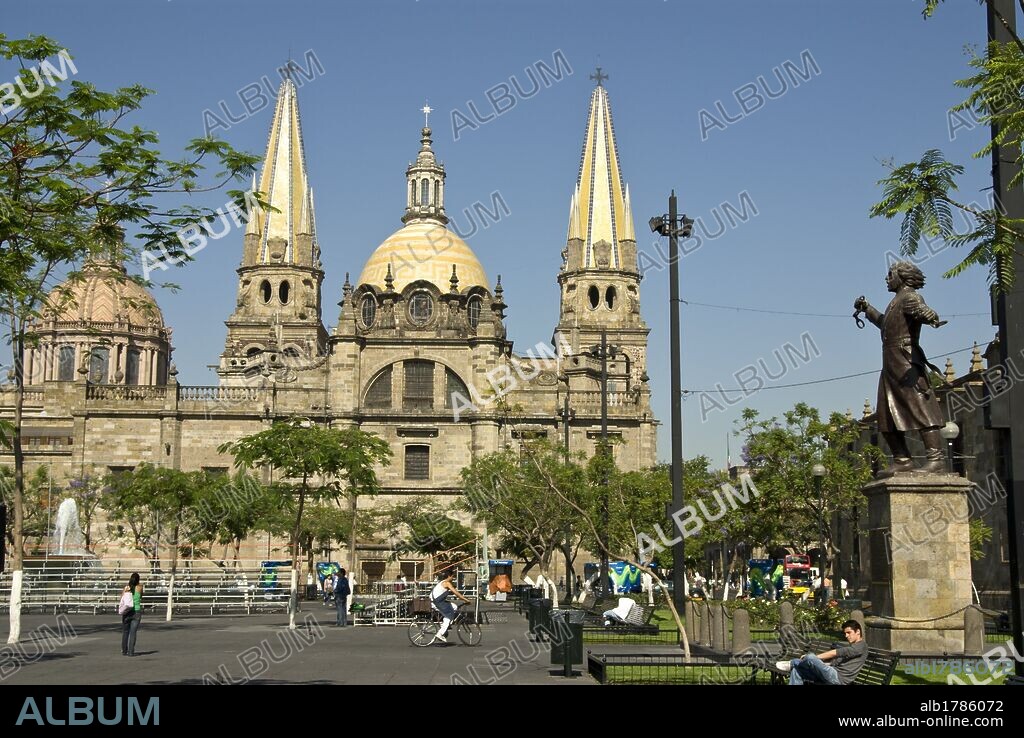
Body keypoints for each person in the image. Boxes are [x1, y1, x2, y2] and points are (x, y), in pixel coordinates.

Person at [853, 261, 947, 476]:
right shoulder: (896, 301)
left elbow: (923, 311)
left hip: (906, 362)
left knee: (921, 408)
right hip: (891, 363)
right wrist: (867, 309)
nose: (887, 279)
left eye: (890, 274)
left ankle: (936, 460)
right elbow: (886, 323)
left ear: (902, 277)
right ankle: (902, 459)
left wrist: (930, 316)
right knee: (885, 415)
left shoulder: (910, 297)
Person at [778, 619, 868, 685]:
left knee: (810, 656)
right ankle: (795, 665)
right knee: (798, 671)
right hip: (830, 673)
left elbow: (835, 652)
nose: (846, 636)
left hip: (838, 678)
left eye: (849, 632)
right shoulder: (853, 647)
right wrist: (817, 664)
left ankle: (793, 663)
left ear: (858, 632)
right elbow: (832, 663)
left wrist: (813, 660)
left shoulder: (862, 646)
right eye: (845, 633)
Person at [430, 570, 471, 644]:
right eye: (452, 576)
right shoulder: (446, 583)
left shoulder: (442, 582)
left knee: (454, 607)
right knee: (448, 616)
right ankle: (440, 633)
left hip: (437, 601)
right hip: (437, 603)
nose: (453, 578)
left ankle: (446, 624)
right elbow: (456, 593)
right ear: (449, 576)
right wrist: (466, 600)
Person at [120, 572, 143, 657]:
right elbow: (141, 596)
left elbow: (122, 598)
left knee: (125, 631)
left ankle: (124, 650)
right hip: (136, 611)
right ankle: (131, 651)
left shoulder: (126, 588)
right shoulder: (140, 587)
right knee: (133, 632)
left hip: (127, 612)